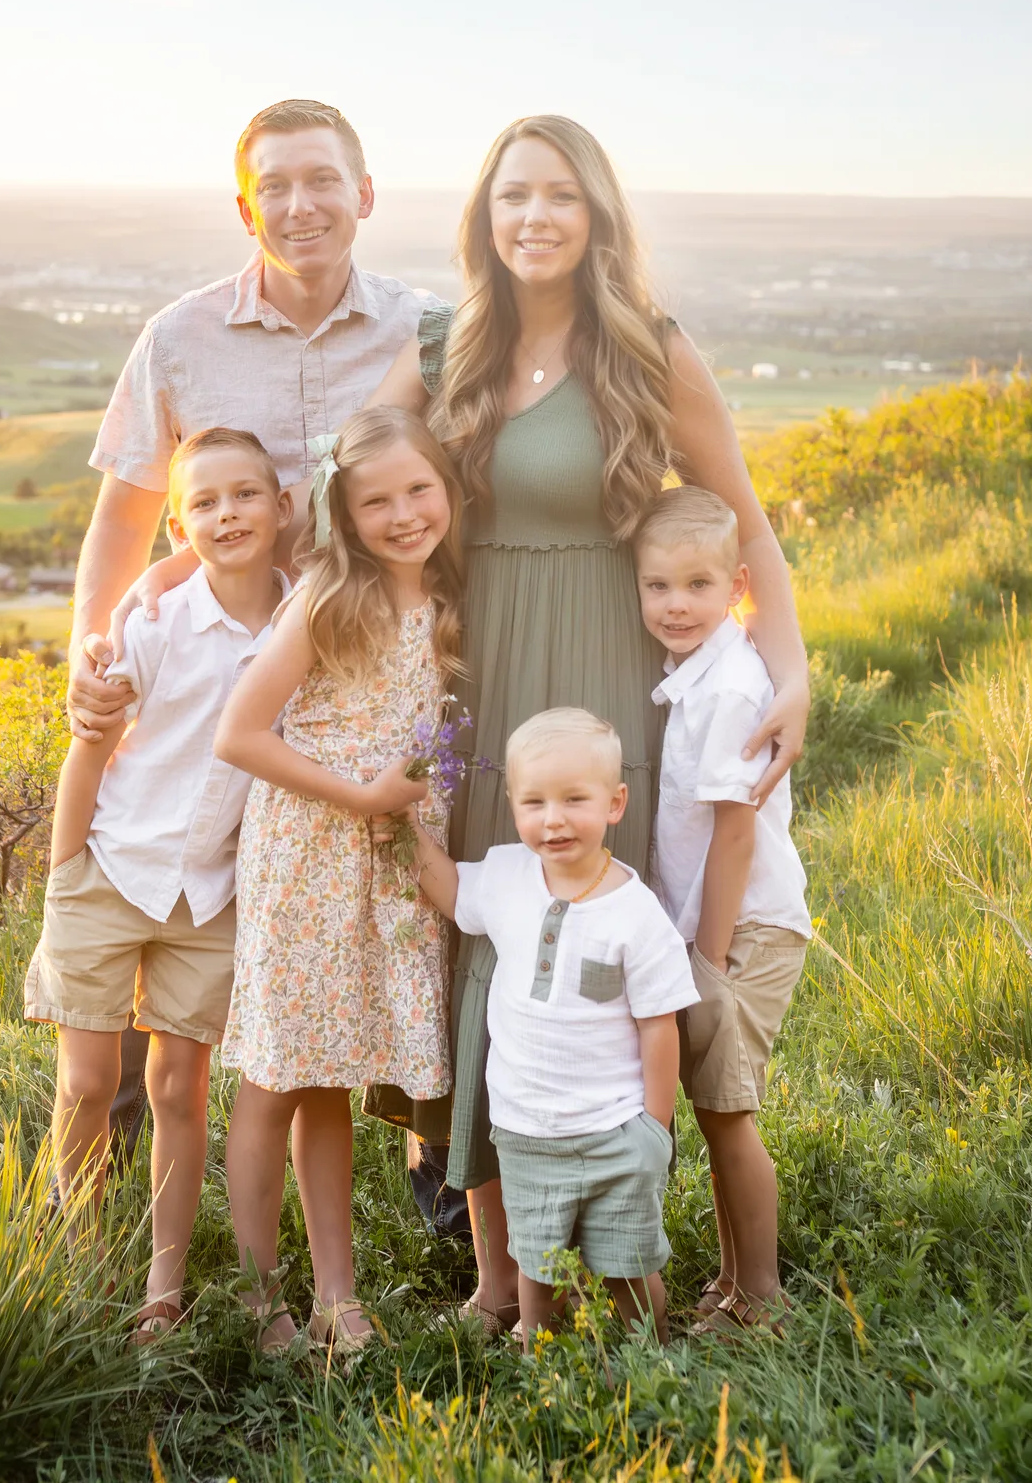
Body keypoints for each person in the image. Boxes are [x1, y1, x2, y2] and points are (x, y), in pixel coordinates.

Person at [372, 114, 810, 1334]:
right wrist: (176, 575)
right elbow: (346, 474)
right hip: (480, 669)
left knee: (595, 922)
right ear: (483, 215)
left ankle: (625, 1243)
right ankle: (496, 1276)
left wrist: (793, 671)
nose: (534, 218)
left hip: (608, 679)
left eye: (560, 195)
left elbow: (747, 521)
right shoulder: (441, 342)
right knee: (487, 932)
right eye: (513, 195)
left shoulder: (647, 348)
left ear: (596, 214)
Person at [65, 98, 440, 1150]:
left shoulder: (428, 328)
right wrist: (89, 652)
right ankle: (127, 1201)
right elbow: (128, 513)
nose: (299, 203)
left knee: (407, 908)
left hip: (379, 675)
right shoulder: (180, 337)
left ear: (363, 195)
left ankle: (434, 1174)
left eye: (321, 179)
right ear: (245, 207)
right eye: (273, 185)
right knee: (175, 885)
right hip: (223, 677)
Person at [25, 427, 291, 1342]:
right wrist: (64, 875)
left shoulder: (302, 625)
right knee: (87, 1083)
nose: (227, 516)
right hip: (108, 870)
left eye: (245, 495)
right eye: (205, 503)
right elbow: (90, 742)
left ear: (282, 507)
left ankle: (160, 1289)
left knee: (181, 1089)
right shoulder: (155, 620)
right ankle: (80, 1265)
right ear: (178, 525)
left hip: (211, 893)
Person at [212, 406, 463, 1356]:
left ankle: (337, 1297)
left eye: (418, 490)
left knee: (334, 1076)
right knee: (277, 1075)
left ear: (447, 490)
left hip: (392, 862)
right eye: (376, 501)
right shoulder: (327, 597)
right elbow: (239, 733)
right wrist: (360, 797)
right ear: (341, 513)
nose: (402, 514)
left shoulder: (448, 595)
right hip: (309, 857)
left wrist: (390, 811)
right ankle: (256, 1298)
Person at [401, 707, 698, 1343]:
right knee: (534, 1261)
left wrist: (655, 1129)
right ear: (512, 805)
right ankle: (539, 1349)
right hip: (525, 1128)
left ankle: (655, 1353)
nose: (553, 818)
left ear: (615, 803)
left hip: (614, 1130)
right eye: (533, 801)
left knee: (628, 1264)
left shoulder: (635, 913)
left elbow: (659, 1026)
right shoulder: (508, 874)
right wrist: (405, 826)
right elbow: (451, 890)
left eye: (574, 799)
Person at [634, 485, 811, 1334]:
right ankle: (734, 1283)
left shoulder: (729, 688)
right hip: (717, 926)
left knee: (730, 1119)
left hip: (738, 929)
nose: (674, 604)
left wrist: (703, 959)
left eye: (697, 586)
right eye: (656, 586)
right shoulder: (689, 672)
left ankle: (762, 1299)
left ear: (737, 584)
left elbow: (733, 837)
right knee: (712, 1111)